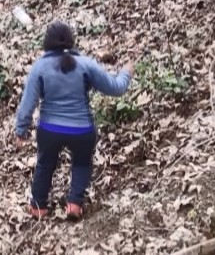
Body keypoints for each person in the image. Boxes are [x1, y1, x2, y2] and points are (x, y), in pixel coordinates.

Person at [14, 20, 134, 220]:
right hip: (81, 130)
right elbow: (115, 88)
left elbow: (28, 102)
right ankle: (74, 204)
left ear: (46, 42)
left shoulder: (40, 67)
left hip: (49, 130)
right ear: (71, 40)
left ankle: (38, 207)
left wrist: (21, 130)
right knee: (81, 163)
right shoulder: (86, 64)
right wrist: (126, 73)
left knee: (45, 164)